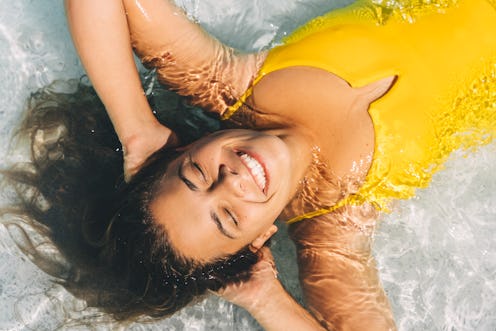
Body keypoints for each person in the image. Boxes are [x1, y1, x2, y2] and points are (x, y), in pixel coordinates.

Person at [11, 0, 493, 330]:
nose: (231, 180)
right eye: (228, 218)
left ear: (179, 149)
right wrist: (264, 297)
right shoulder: (336, 229)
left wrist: (137, 129)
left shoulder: (230, 81)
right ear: (258, 244)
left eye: (195, 175)